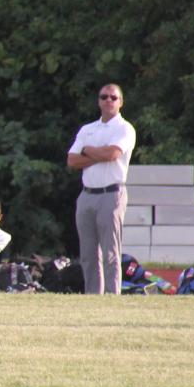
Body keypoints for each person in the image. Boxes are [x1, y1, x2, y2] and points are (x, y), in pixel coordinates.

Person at [67, 83, 136, 295]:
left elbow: (113, 155)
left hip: (111, 194)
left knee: (110, 252)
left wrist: (87, 151)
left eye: (113, 97)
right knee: (88, 253)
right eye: (104, 97)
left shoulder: (124, 128)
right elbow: (72, 160)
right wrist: (98, 154)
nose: (108, 100)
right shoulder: (88, 129)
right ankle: (92, 296)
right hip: (87, 194)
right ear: (98, 101)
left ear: (120, 102)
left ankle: (112, 296)